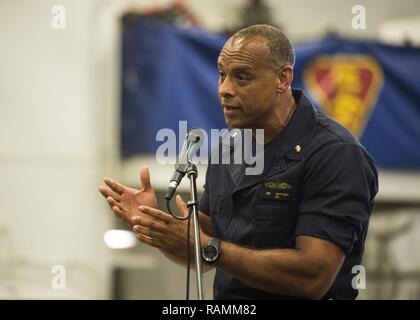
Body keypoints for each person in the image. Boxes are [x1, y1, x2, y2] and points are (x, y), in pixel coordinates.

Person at [98, 24, 378, 300]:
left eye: (242, 77)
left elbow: (313, 276)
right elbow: (204, 253)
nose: (224, 89)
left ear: (283, 79)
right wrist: (159, 227)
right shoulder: (230, 146)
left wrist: (209, 246)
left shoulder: (335, 154)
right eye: (222, 75)